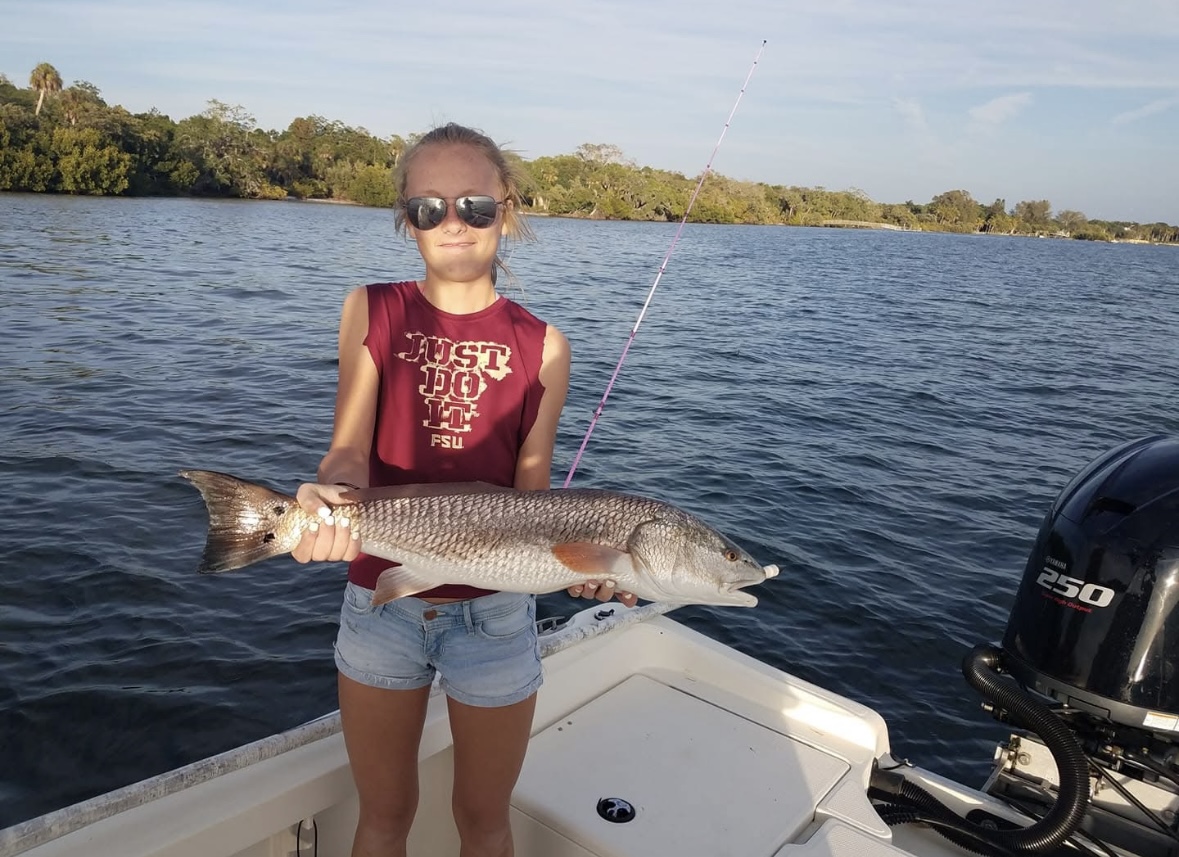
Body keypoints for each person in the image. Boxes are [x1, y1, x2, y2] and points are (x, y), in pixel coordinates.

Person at [289, 122, 636, 857]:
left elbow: (532, 495)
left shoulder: (545, 346)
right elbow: (349, 449)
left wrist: (587, 567)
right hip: (381, 597)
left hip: (497, 616)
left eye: (474, 206)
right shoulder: (371, 308)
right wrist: (329, 499)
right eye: (429, 208)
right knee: (383, 816)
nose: (453, 223)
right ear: (406, 220)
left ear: (506, 211)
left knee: (485, 821)